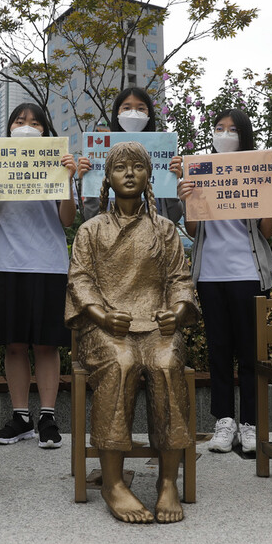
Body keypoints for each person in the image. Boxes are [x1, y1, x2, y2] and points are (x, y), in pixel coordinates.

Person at [66, 141, 198, 524]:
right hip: (105, 328)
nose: (128, 173)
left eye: (137, 167)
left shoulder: (164, 229)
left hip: (156, 325)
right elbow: (80, 279)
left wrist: (176, 312)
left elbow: (179, 278)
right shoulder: (92, 229)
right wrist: (102, 316)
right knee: (121, 363)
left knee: (166, 361)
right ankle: (112, 482)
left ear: (148, 175)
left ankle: (168, 479)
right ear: (106, 177)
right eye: (120, 167)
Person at [176, 109, 272, 454]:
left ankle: (252, 423)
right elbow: (193, 231)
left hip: (248, 274)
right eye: (218, 128)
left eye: (232, 129)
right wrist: (186, 199)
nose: (225, 134)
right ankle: (224, 421)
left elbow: (267, 231)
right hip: (210, 274)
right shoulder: (201, 170)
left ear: (244, 135)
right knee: (219, 350)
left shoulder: (259, 169)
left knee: (252, 352)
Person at [0, 102, 77, 449]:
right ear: (9, 127)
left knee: (46, 343)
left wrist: (69, 179)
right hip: (4, 261)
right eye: (19, 120)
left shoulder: (58, 163)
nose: (26, 126)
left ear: (46, 130)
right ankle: (20, 416)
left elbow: (67, 220)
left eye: (35, 122)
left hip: (49, 262)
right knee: (13, 344)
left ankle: (47, 416)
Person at [78, 88, 182, 224]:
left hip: (154, 239)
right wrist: (88, 181)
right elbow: (91, 216)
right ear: (117, 113)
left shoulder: (163, 154)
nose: (134, 113)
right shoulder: (100, 153)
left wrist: (172, 181)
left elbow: (174, 216)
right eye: (126, 108)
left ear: (149, 113)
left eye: (141, 109)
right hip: (111, 240)